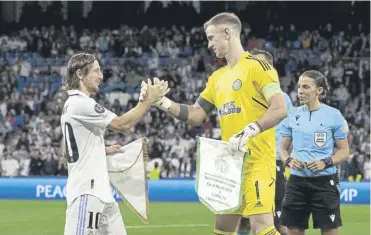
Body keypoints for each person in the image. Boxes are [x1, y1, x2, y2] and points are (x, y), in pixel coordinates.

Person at [146, 13, 288, 235]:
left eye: (211, 38)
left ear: (227, 33)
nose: (209, 44)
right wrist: (162, 102)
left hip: (257, 162)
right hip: (229, 165)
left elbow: (280, 109)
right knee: (222, 230)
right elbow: (195, 114)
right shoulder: (217, 78)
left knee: (262, 228)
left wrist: (252, 129)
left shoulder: (258, 66)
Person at [61, 52, 168, 235]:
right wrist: (148, 101)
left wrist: (102, 150)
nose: (101, 76)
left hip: (101, 193)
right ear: (80, 74)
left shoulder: (72, 104)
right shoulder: (81, 104)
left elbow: (71, 148)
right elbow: (122, 124)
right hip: (87, 192)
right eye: (96, 71)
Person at [280, 70, 349, 235]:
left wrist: (324, 162)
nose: (300, 91)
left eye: (305, 87)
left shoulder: (334, 115)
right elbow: (282, 149)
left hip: (324, 182)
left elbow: (344, 151)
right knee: (293, 229)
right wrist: (288, 161)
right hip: (296, 182)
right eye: (298, 87)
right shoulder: (292, 114)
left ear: (319, 90)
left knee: (329, 230)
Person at [236, 49, 293, 235]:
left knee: (278, 223)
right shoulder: (244, 95)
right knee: (243, 220)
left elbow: (291, 133)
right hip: (246, 163)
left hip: (270, 164)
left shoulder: (281, 99)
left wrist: (282, 157)